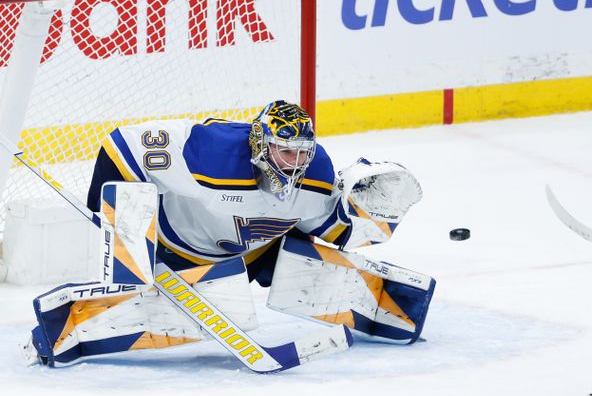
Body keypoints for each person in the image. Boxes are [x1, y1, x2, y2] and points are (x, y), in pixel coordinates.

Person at [86, 99, 418, 286]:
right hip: (174, 248)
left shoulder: (317, 173)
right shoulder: (211, 154)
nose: (296, 163)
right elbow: (121, 145)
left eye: (303, 152)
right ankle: (128, 288)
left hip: (248, 260)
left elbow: (334, 230)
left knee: (302, 258)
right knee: (128, 194)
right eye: (286, 152)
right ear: (260, 144)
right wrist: (111, 231)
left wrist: (373, 215)